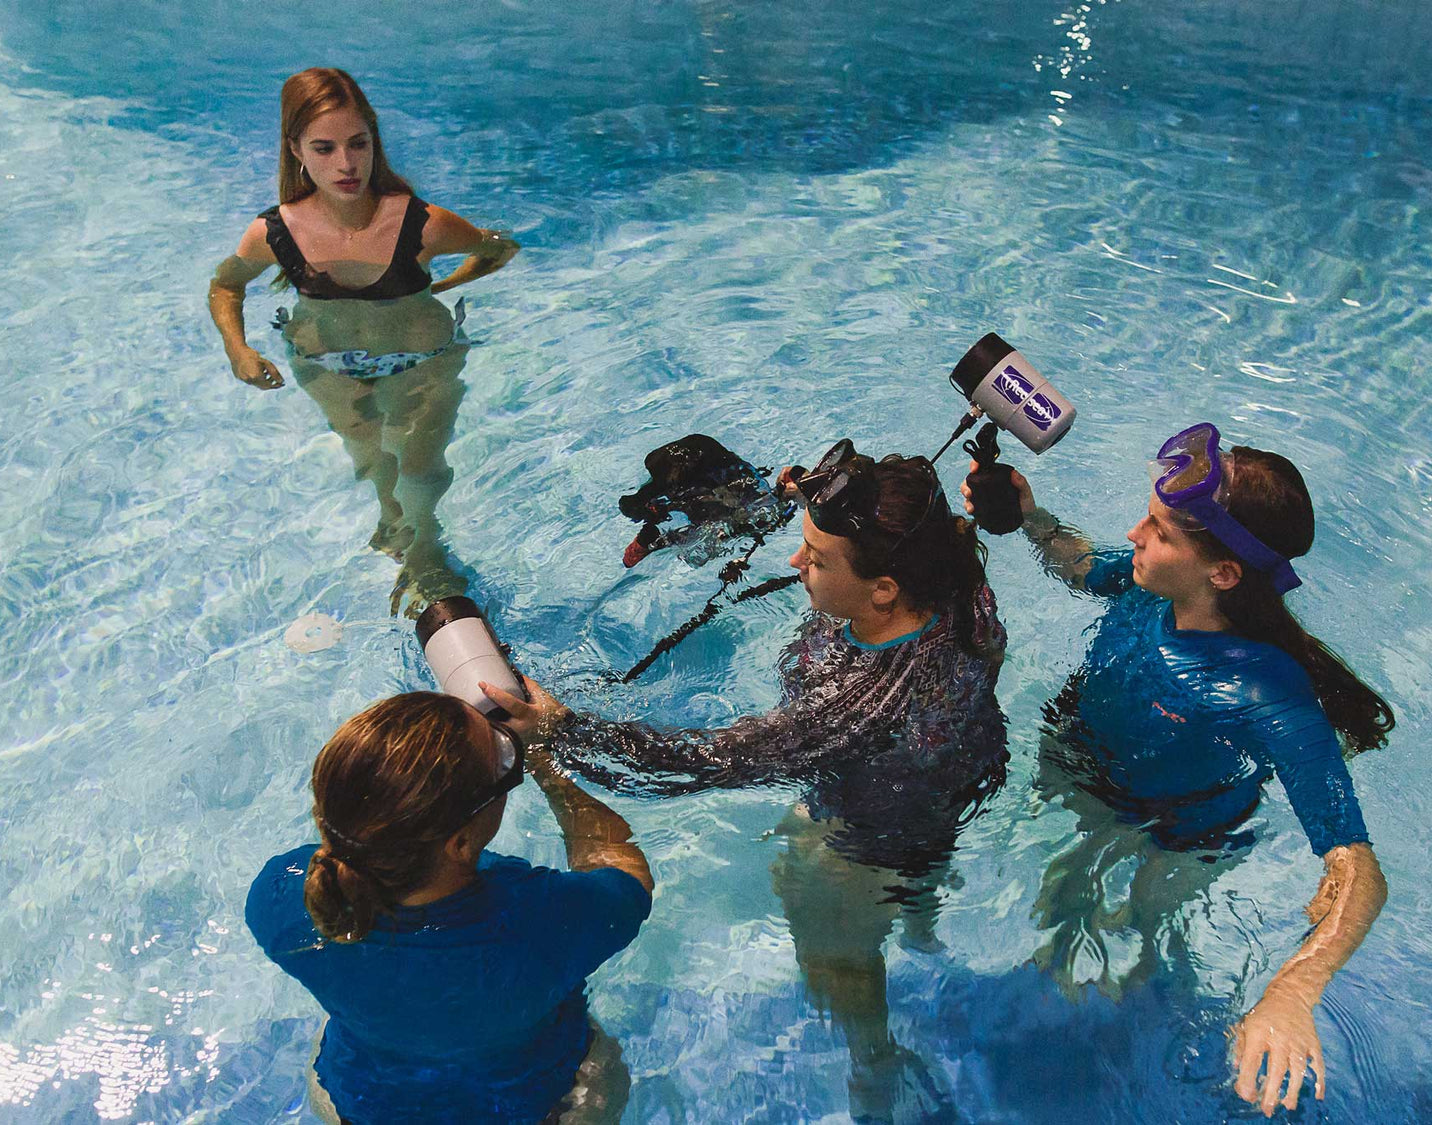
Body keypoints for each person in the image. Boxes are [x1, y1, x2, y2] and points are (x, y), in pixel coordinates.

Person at [492, 442, 1008, 1123]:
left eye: (817, 558)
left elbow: (708, 760)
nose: (797, 562)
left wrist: (564, 730)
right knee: (917, 871)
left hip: (862, 838)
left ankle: (872, 1061)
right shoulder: (954, 577)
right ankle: (922, 929)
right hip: (947, 789)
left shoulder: (859, 702)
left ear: (884, 590)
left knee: (835, 956)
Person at [962, 422, 1391, 1118]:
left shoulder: (1266, 694)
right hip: (1091, 765)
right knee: (1064, 890)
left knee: (1152, 916)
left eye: (1160, 530)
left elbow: (1359, 870)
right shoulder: (1146, 586)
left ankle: (1151, 976)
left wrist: (1291, 991)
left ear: (1221, 574)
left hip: (1187, 821)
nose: (1134, 534)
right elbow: (1078, 564)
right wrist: (1029, 515)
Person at [245, 691, 653, 1124]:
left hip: (357, 1107)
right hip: (548, 1107)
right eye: (500, 758)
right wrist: (542, 761)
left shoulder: (280, 899)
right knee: (599, 1072)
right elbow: (625, 874)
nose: (505, 753)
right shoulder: (543, 919)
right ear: (458, 843)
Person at [208, 67, 518, 615]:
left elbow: (498, 249)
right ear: (295, 149)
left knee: (420, 465)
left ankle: (425, 548)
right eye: (324, 148)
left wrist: (447, 284)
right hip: (326, 364)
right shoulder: (273, 233)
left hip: (421, 361)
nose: (346, 165)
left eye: (359, 144)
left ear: (376, 141)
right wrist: (239, 349)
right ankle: (391, 518)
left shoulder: (424, 225)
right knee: (373, 458)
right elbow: (226, 285)